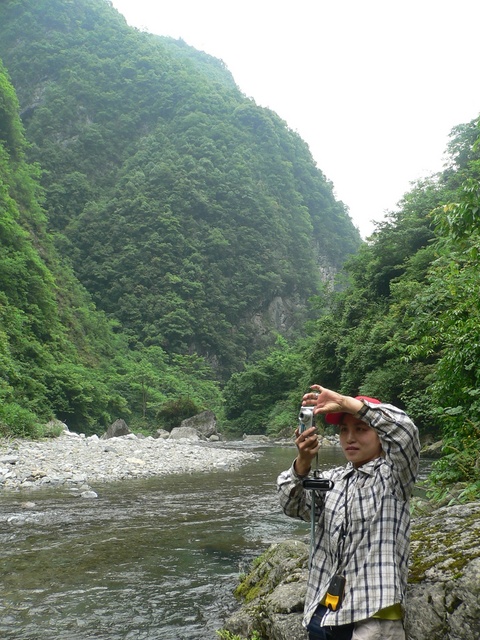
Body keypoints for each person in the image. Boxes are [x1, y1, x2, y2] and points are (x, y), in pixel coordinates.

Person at [277, 385, 420, 640]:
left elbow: (405, 431)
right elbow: (293, 506)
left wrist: (345, 402)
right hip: (325, 610)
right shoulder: (336, 479)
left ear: (380, 436)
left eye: (361, 429)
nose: (350, 438)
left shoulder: (394, 476)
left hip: (372, 614)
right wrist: (303, 463)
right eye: (344, 430)